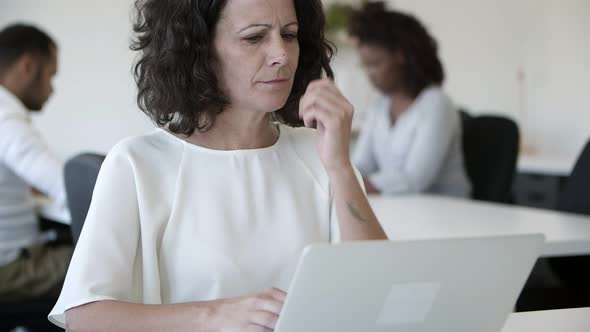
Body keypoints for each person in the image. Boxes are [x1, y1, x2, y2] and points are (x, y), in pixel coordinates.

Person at [49, 0, 387, 330]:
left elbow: (379, 292)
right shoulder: (137, 164)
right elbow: (84, 318)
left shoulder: (320, 152)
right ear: (197, 50)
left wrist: (340, 167)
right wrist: (213, 317)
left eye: (289, 34)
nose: (281, 55)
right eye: (254, 37)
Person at [349, 2, 471, 197]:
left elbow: (414, 179)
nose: (369, 74)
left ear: (401, 56)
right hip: (404, 210)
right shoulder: (379, 106)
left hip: (448, 215)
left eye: (375, 63)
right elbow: (362, 164)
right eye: (365, 66)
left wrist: (351, 184)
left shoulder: (436, 104)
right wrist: (344, 177)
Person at [0, 24, 72, 302]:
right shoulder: (6, 119)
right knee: (106, 264)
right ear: (28, 66)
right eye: (51, 76)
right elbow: (64, 184)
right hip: (9, 268)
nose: (51, 90)